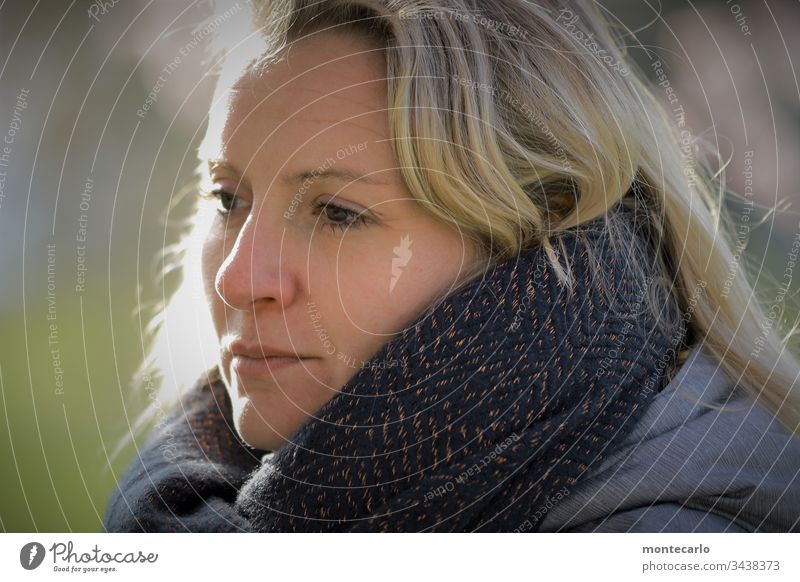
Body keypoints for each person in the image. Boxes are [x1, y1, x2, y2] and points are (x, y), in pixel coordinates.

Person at [103, 0, 800, 532]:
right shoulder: (208, 484)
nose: (236, 280)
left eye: (338, 213)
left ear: (534, 240)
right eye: (228, 198)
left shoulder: (676, 537)